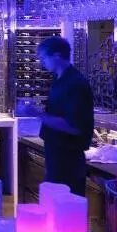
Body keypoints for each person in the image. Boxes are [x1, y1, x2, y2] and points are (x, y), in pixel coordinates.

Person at [35, 37, 94, 196]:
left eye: (43, 57)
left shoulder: (75, 83)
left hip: (68, 160)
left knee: (66, 206)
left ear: (56, 55)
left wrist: (37, 114)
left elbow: (73, 126)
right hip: (56, 156)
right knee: (53, 204)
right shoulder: (59, 79)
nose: (41, 62)